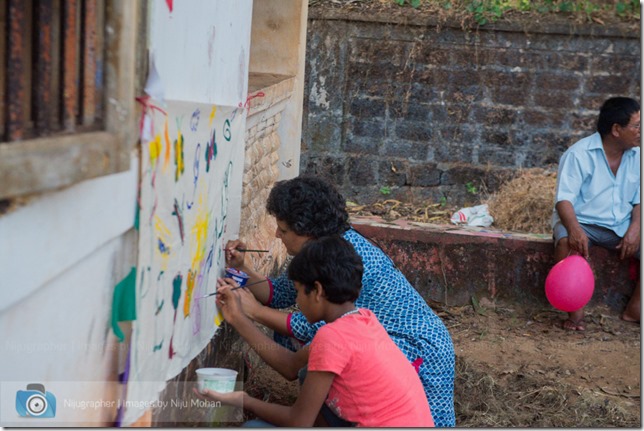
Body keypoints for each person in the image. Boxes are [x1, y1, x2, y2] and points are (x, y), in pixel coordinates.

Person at [224, 175, 455, 427]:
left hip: (415, 347)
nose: (278, 234)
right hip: (381, 346)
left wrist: (252, 313)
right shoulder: (321, 250)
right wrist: (244, 268)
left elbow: (306, 328)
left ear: (307, 232)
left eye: (285, 229)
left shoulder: (339, 258)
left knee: (316, 363)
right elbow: (281, 293)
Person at [195, 236, 435, 427]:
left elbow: (299, 422)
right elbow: (291, 366)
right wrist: (238, 319)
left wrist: (244, 400)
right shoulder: (363, 320)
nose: (298, 300)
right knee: (306, 376)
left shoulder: (333, 337)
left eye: (299, 291)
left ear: (317, 290)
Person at [551, 96, 640, 331]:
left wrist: (635, 228)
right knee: (565, 242)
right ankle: (575, 315)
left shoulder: (638, 156)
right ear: (616, 130)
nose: (641, 131)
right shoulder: (579, 154)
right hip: (583, 223)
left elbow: (639, 199)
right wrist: (575, 229)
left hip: (620, 225)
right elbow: (564, 200)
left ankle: (635, 310)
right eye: (637, 126)